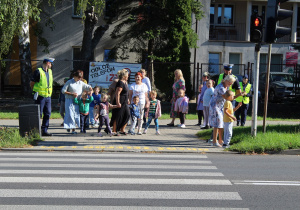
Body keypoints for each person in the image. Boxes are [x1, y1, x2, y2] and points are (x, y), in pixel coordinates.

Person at [209, 75, 244, 147]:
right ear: (226, 80)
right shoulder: (221, 88)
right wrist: (239, 95)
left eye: (232, 82)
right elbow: (228, 98)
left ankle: (220, 140)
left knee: (220, 123)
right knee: (217, 124)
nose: (231, 84)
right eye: (230, 82)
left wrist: (239, 94)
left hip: (220, 106)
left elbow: (229, 97)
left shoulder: (226, 86)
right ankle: (214, 141)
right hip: (215, 106)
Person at [61, 70, 93, 134]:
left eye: (80, 77)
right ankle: (70, 127)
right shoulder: (69, 82)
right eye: (78, 77)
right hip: (69, 100)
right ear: (74, 76)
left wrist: (91, 90)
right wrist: (71, 93)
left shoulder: (80, 83)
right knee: (70, 114)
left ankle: (73, 128)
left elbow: (88, 87)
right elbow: (63, 91)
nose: (79, 79)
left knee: (76, 114)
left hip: (78, 100)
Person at [30, 58, 55, 136]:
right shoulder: (38, 71)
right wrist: (35, 91)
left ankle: (44, 130)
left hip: (48, 96)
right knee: (38, 114)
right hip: (40, 96)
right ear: (47, 63)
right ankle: (35, 131)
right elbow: (32, 83)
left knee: (47, 113)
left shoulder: (50, 71)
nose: (51, 65)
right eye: (51, 63)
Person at [110, 69, 130, 136]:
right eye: (127, 75)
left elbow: (126, 93)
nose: (128, 76)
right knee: (118, 116)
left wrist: (128, 100)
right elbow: (117, 93)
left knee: (127, 115)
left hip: (125, 101)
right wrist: (118, 102)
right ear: (124, 76)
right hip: (120, 101)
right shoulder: (120, 83)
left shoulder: (125, 82)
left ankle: (122, 130)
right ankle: (114, 131)